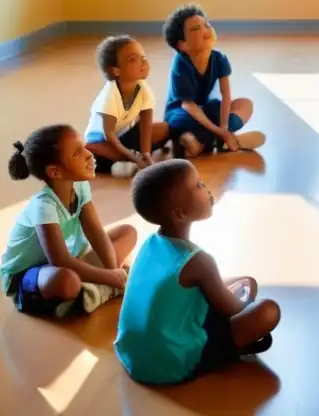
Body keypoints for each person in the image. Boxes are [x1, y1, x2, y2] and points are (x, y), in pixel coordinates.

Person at [114, 159, 281, 385]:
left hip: (132, 354)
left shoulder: (150, 244)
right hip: (170, 364)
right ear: (180, 213)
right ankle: (214, 354)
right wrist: (246, 300)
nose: (207, 189)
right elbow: (232, 309)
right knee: (267, 311)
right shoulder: (199, 262)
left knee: (242, 282)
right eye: (199, 185)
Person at [0, 125, 137, 317]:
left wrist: (113, 272)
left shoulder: (80, 186)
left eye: (84, 148)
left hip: (70, 259)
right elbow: (60, 260)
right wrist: (110, 277)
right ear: (55, 172)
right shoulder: (44, 206)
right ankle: (91, 290)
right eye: (77, 153)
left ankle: (95, 291)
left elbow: (96, 233)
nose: (89, 155)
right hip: (30, 275)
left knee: (127, 233)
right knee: (67, 282)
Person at [162, 3, 265, 157]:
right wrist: (219, 130)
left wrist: (224, 127)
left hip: (205, 110)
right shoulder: (181, 64)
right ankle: (225, 140)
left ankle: (205, 142)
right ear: (182, 44)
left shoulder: (219, 58)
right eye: (196, 29)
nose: (206, 30)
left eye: (206, 25)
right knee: (180, 122)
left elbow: (225, 95)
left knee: (243, 104)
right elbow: (188, 105)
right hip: (183, 112)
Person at [84, 35, 170, 179]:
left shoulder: (143, 88)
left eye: (143, 57)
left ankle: (125, 160)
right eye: (133, 59)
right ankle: (123, 160)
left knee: (164, 128)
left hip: (125, 135)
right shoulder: (110, 95)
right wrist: (133, 157)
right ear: (116, 70)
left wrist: (146, 155)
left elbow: (145, 124)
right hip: (103, 141)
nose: (143, 62)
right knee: (90, 150)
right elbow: (109, 136)